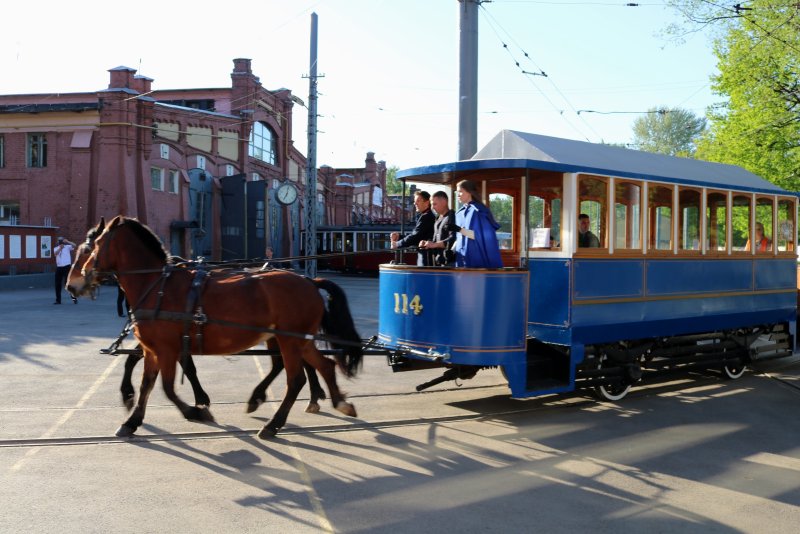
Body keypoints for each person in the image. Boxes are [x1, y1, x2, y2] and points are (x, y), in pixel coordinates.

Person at [452, 179, 503, 268]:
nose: (458, 195)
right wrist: (452, 250)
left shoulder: (479, 211)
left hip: (477, 262)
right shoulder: (459, 213)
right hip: (461, 261)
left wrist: (458, 229)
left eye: (460, 191)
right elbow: (459, 236)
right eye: (457, 192)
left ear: (469, 192)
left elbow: (481, 236)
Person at [390, 190, 435, 266]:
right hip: (424, 257)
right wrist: (399, 237)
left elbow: (415, 237)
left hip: (426, 259)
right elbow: (418, 236)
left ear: (427, 202)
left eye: (418, 201)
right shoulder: (424, 216)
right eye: (414, 201)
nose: (415, 203)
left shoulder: (427, 217)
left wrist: (397, 244)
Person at [419, 190, 457, 266]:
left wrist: (434, 244)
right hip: (439, 262)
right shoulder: (438, 218)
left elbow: (453, 238)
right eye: (432, 205)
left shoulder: (452, 217)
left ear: (444, 203)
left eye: (435, 204)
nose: (432, 207)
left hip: (450, 263)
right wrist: (427, 243)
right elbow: (435, 239)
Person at [53, 236, 77, 304]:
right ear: (58, 242)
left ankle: (74, 298)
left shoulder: (67, 247)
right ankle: (58, 300)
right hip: (59, 268)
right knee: (57, 284)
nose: (60, 242)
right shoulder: (56, 248)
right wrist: (60, 248)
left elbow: (75, 245)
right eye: (59, 241)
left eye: (62, 241)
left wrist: (68, 241)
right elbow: (55, 254)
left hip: (67, 267)